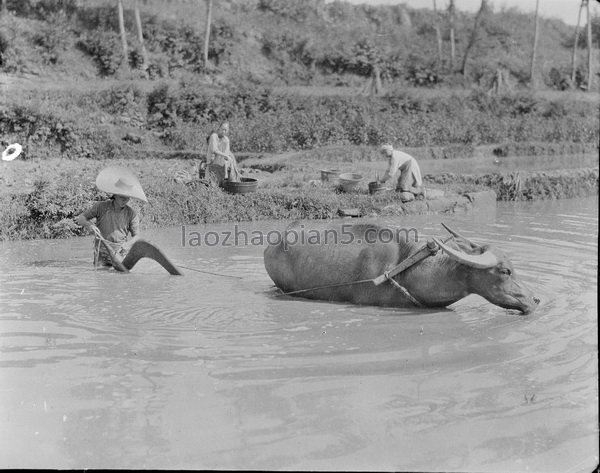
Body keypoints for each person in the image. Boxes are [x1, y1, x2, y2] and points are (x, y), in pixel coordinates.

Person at [76, 166, 147, 268]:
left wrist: (127, 245)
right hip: (101, 252)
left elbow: (137, 237)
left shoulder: (132, 214)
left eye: (127, 198)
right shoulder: (100, 207)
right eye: (122, 197)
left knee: (119, 277)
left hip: (120, 253)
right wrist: (89, 226)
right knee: (100, 276)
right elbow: (81, 218)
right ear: (115, 195)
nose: (125, 200)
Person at [205, 121, 240, 187]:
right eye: (222, 129)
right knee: (212, 184)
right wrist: (225, 155)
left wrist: (229, 162)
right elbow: (214, 150)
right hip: (213, 164)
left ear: (228, 131)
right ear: (219, 128)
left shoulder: (226, 139)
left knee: (221, 185)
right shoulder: (214, 136)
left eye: (225, 130)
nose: (224, 131)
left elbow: (227, 152)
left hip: (221, 165)